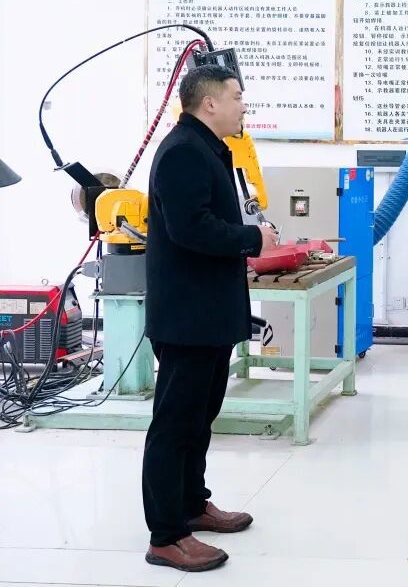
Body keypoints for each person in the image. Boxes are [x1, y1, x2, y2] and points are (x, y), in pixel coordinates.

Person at [142, 64, 277, 572]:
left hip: (208, 313)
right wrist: (252, 239)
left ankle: (192, 504)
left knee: (200, 418)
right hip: (188, 317)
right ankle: (165, 535)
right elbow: (190, 228)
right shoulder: (183, 152)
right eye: (237, 96)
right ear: (210, 102)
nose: (244, 105)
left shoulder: (209, 149)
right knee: (175, 424)